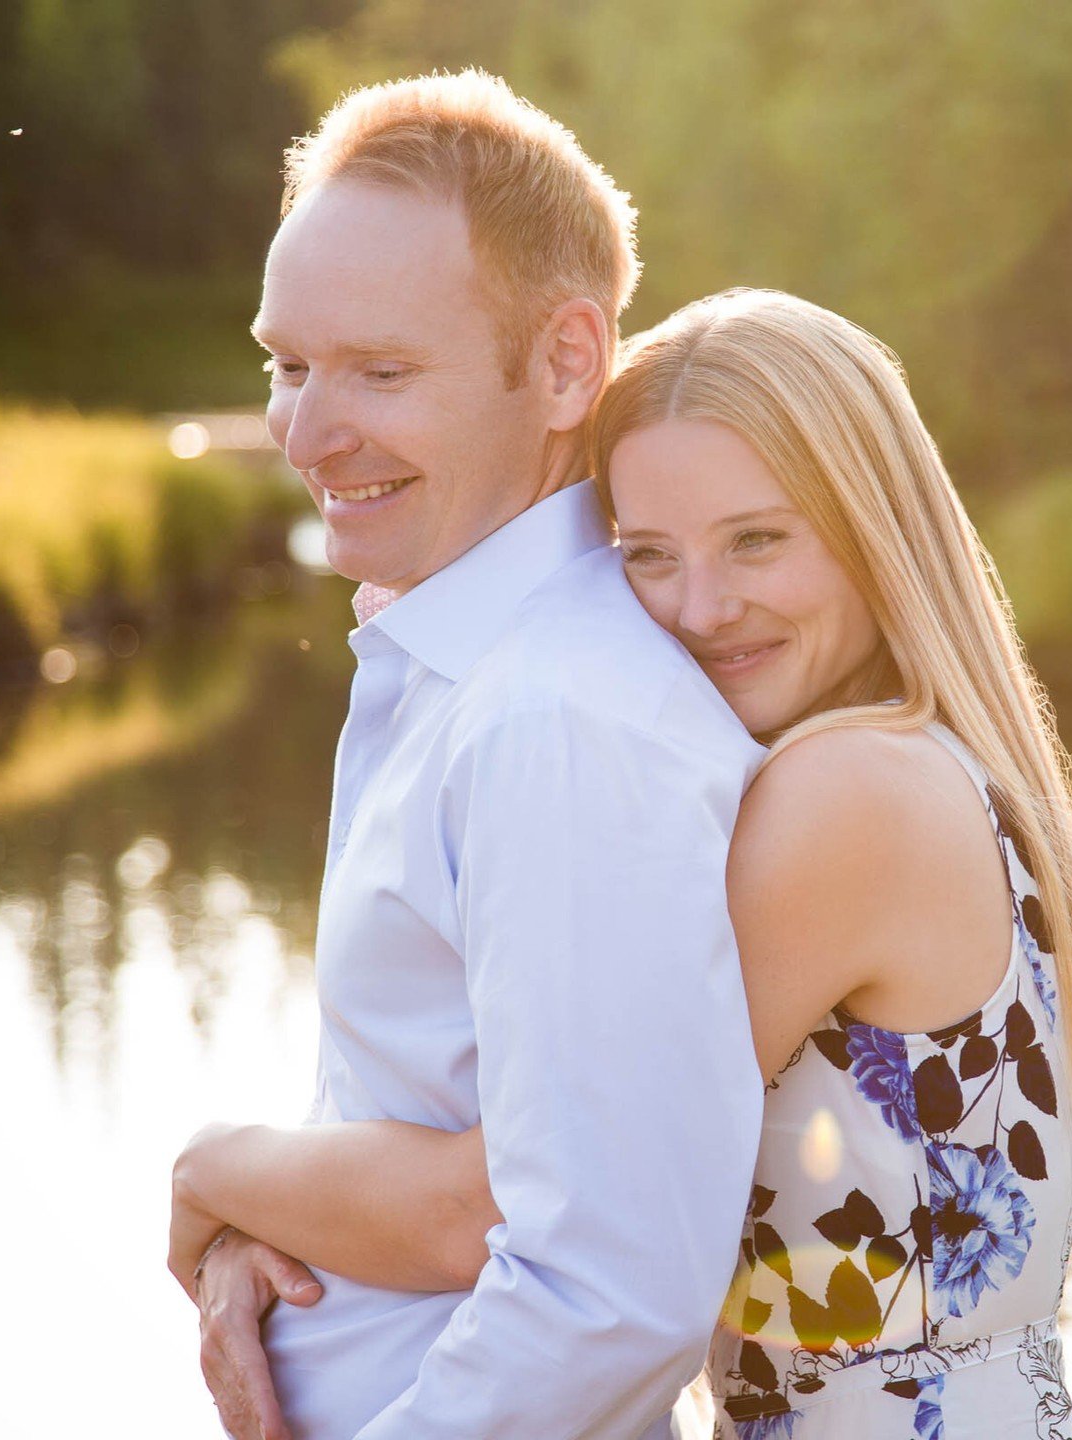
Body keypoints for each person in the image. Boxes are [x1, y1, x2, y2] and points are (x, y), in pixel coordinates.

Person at [172, 288, 1072, 1440]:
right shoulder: (906, 763)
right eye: (646, 555)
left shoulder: (847, 800)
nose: (700, 608)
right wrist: (277, 1232)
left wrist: (217, 1173)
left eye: (758, 539)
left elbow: (511, 1193)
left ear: (873, 527)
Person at [171, 70, 770, 1440]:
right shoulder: (454, 668)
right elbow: (409, 1099)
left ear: (566, 364)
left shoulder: (553, 720)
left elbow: (608, 1288)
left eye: (380, 372)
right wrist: (236, 1224)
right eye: (288, 364)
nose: (306, 433)